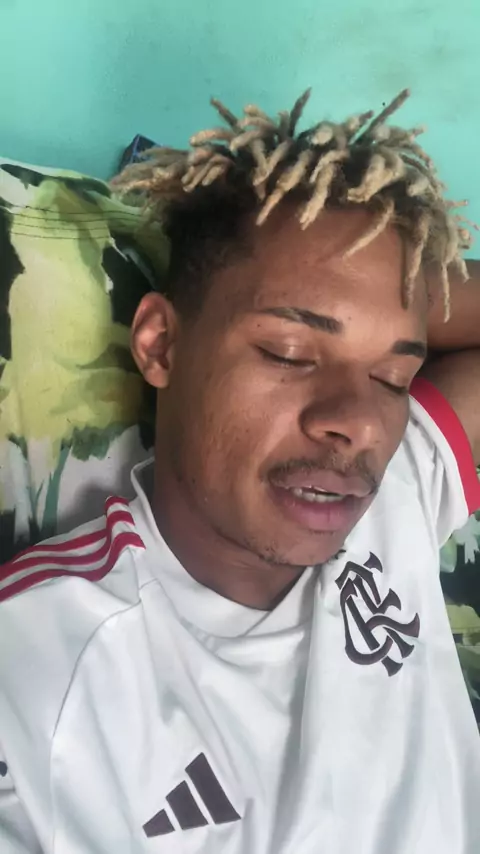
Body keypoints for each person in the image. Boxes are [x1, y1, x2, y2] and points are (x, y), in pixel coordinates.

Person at [1, 88, 480, 854]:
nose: (357, 422)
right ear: (160, 345)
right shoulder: (39, 662)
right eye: (289, 353)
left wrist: (387, 276)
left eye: (393, 377)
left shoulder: (400, 487)